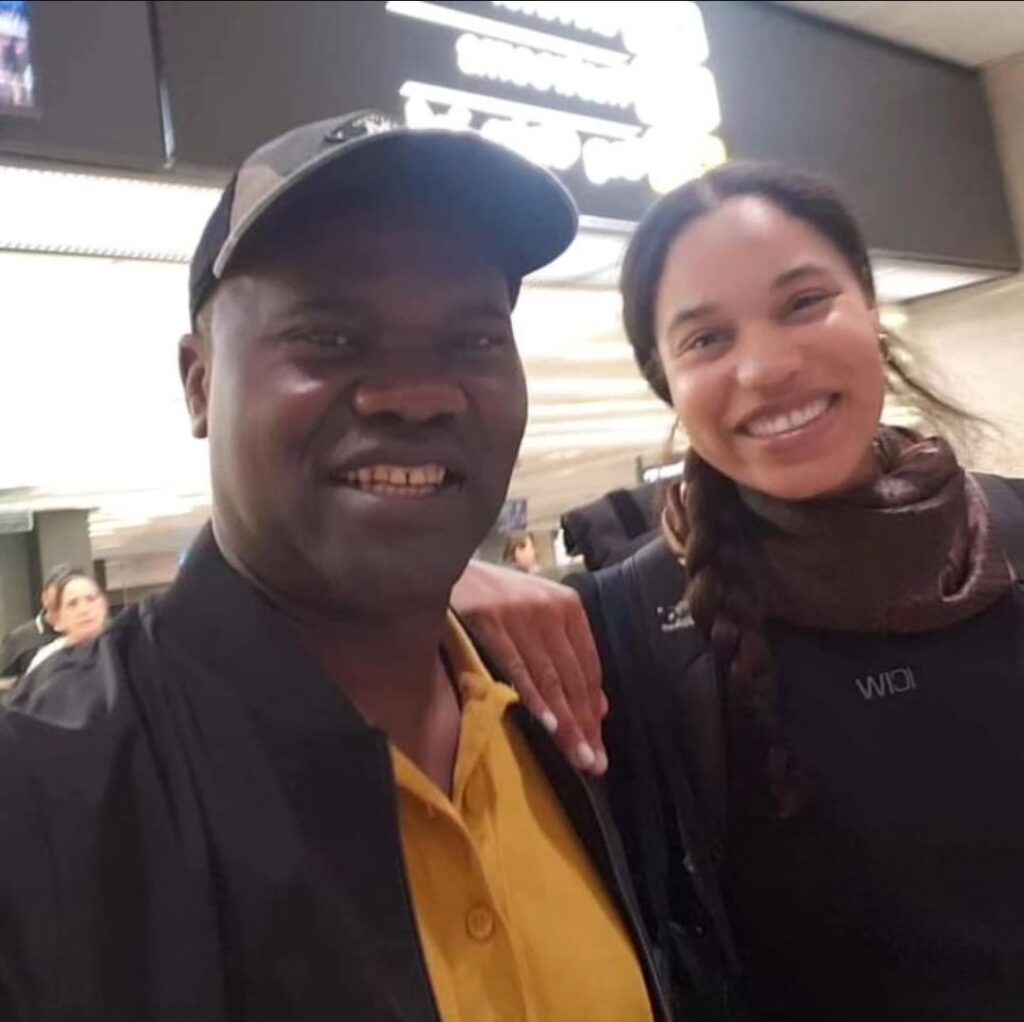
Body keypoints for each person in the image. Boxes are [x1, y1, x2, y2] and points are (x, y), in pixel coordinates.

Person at [0, 111, 729, 1021]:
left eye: (470, 340)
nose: (417, 396)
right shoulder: (47, 795)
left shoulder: (565, 710)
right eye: (331, 339)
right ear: (199, 383)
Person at [453, 162, 1024, 1020]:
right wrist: (429, 580)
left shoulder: (1013, 530)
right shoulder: (621, 634)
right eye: (706, 340)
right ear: (668, 384)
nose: (766, 368)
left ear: (870, 306)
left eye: (804, 303)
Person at [20, 569, 109, 676]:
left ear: (103, 605)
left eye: (91, 599)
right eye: (72, 604)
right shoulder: (46, 660)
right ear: (58, 620)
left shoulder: (124, 649)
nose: (84, 610)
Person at [0, 563, 71, 682]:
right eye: (57, 599)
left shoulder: (93, 634)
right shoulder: (20, 638)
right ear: (45, 599)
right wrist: (25, 684)